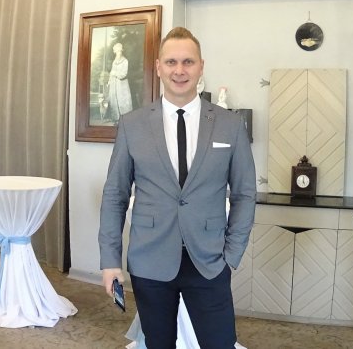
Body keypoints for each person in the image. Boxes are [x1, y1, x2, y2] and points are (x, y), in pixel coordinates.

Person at [99, 27, 256, 349]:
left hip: (210, 261)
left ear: (201, 66)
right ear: (158, 67)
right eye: (171, 62)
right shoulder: (132, 124)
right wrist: (110, 260)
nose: (179, 70)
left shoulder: (229, 124)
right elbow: (115, 195)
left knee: (220, 343)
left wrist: (232, 254)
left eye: (188, 62)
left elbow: (244, 194)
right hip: (150, 259)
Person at [106, 42, 134, 123]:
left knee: (122, 101)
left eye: (119, 51)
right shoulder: (114, 61)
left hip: (121, 85)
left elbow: (124, 74)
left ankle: (125, 120)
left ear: (121, 51)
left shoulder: (125, 61)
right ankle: (116, 119)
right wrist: (109, 81)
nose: (118, 53)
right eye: (116, 51)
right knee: (114, 101)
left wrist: (115, 73)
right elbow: (111, 72)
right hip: (114, 85)